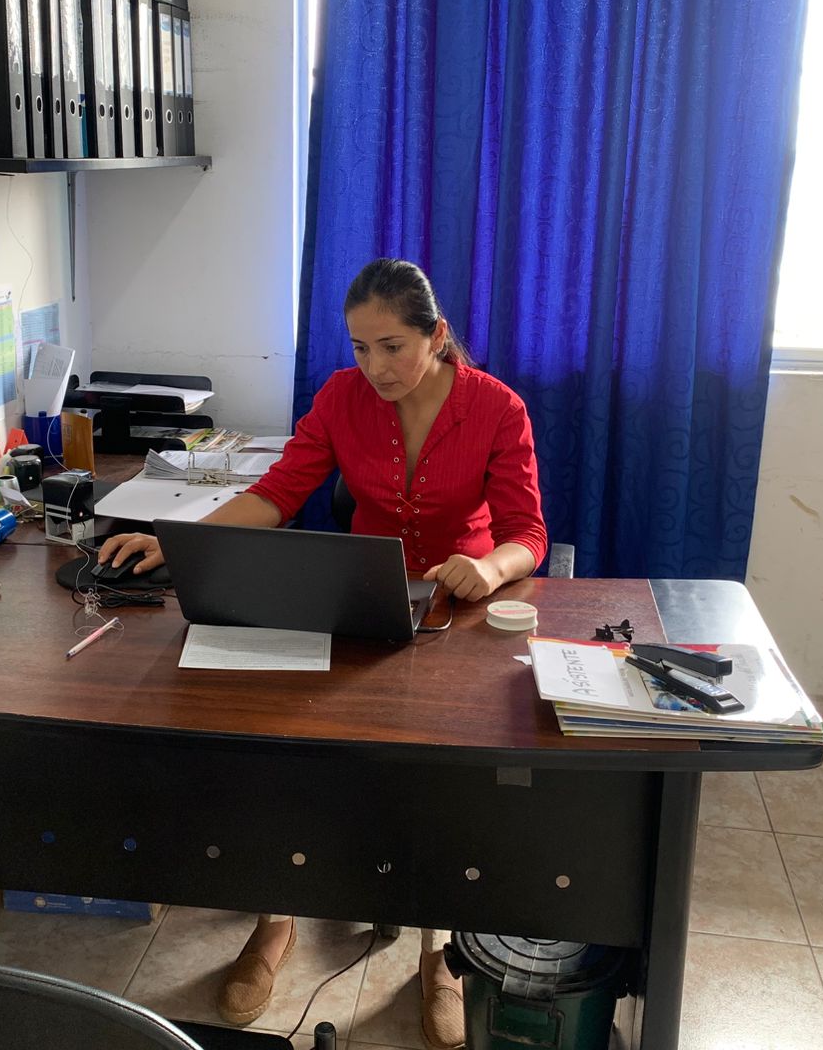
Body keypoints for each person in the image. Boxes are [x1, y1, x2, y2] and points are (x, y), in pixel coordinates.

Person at [98, 258, 548, 1050]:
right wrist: (177, 542)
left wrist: (490, 567)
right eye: (360, 347)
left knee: (443, 778)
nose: (375, 367)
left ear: (436, 336)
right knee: (288, 754)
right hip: (358, 605)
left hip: (456, 612)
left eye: (392, 346)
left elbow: (528, 533)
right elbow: (277, 494)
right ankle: (277, 921)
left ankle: (438, 952)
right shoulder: (342, 398)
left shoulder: (495, 406)